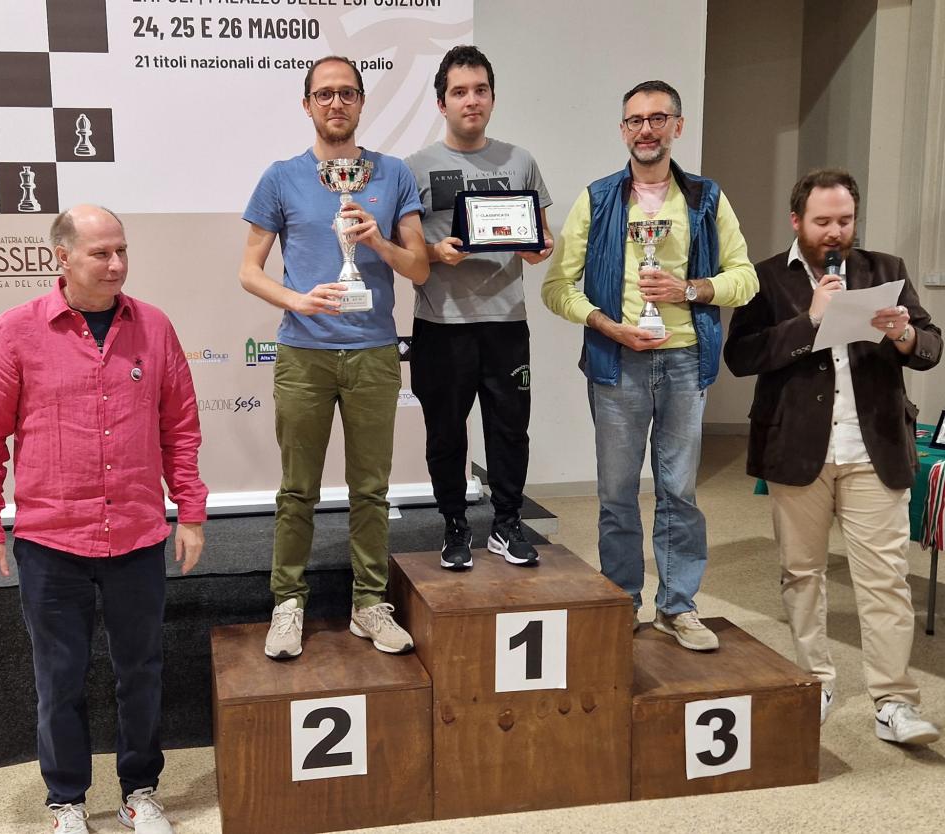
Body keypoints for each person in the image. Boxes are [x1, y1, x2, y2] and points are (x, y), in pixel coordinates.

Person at [0, 205, 207, 834]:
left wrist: (191, 509)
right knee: (59, 679)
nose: (116, 264)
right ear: (62, 257)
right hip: (51, 540)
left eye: (122, 250)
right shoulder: (14, 331)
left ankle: (140, 791)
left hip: (136, 536)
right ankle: (66, 801)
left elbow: (180, 427)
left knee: (141, 672)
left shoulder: (155, 327)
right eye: (101, 253)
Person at [724, 168, 942, 743]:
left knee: (886, 579)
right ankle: (815, 680)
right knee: (802, 574)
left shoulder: (886, 270)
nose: (835, 232)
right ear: (797, 221)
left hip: (875, 446)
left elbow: (930, 347)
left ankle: (894, 702)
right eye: (823, 221)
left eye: (845, 220)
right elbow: (741, 356)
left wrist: (902, 335)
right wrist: (812, 320)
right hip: (797, 447)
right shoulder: (766, 278)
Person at [542, 80, 758, 650]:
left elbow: (746, 279)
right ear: (623, 130)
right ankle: (622, 600)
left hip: (685, 362)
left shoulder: (706, 198)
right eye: (635, 120)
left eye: (658, 118)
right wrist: (607, 325)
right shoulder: (598, 198)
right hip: (617, 363)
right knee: (616, 493)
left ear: (677, 127)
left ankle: (678, 607)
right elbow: (557, 287)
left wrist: (689, 289)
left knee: (679, 492)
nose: (646, 129)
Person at [239, 56, 429, 660]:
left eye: (347, 92)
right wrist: (297, 299)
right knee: (297, 490)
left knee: (371, 489)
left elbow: (419, 267)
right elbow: (248, 271)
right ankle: (288, 603)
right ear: (307, 105)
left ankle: (369, 603)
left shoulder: (393, 173)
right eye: (324, 94)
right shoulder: (281, 177)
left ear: (361, 101)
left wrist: (378, 241)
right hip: (304, 353)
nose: (336, 103)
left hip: (373, 352)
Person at [405, 45, 553, 571]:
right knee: (445, 433)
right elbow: (406, 251)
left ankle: (507, 525)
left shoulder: (520, 160)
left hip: (506, 322)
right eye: (460, 92)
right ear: (441, 103)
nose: (472, 100)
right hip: (441, 324)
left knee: (510, 430)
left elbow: (542, 238)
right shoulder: (413, 168)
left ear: (492, 97)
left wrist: (539, 246)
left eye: (480, 90)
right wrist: (434, 253)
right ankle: (454, 526)